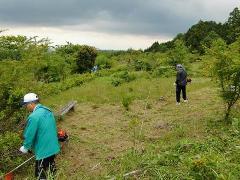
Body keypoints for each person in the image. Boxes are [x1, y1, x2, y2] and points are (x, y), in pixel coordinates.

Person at [19, 93, 60, 179]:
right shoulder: (48, 111)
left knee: (40, 174)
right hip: (53, 146)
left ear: (31, 103)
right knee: (51, 166)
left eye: (26, 105)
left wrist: (25, 147)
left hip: (43, 150)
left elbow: (30, 134)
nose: (26, 107)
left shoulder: (34, 116)